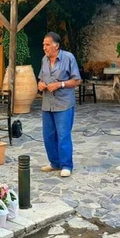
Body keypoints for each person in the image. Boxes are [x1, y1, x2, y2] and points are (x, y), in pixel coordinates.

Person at [37, 32, 82, 177]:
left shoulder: (68, 58)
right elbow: (40, 79)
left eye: (47, 44)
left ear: (56, 46)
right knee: (48, 136)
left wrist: (60, 84)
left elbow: (77, 80)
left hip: (63, 104)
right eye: (44, 44)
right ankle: (54, 163)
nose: (44, 47)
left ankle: (66, 165)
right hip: (47, 104)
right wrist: (41, 85)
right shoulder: (44, 59)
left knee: (63, 135)